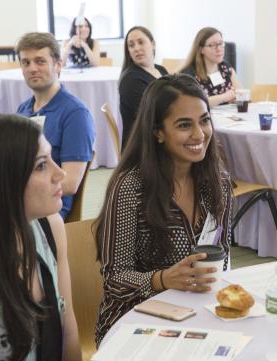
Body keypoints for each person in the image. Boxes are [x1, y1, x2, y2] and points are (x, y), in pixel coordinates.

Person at [94, 74, 233, 345]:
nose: (199, 134)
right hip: (136, 320)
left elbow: (222, 255)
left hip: (198, 314)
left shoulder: (218, 183)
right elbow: (115, 280)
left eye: (204, 121)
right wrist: (163, 279)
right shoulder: (131, 187)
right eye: (184, 125)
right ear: (158, 132)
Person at [0, 113, 81, 361]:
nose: (59, 173)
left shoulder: (50, 225)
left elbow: (68, 330)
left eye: (51, 159)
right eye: (41, 165)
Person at [15, 32, 95, 220]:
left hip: (49, 211)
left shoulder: (75, 113)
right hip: (21, 202)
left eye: (40, 61)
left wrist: (13, 191)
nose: (32, 68)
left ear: (58, 65)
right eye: (26, 62)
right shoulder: (23, 109)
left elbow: (70, 183)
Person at [118, 26, 168, 149]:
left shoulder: (161, 70)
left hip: (160, 135)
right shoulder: (130, 80)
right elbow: (152, 116)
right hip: (143, 146)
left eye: (141, 42)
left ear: (153, 44)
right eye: (131, 45)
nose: (136, 48)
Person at [181, 27, 242, 107]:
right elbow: (195, 103)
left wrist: (236, 99)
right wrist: (224, 97)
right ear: (201, 49)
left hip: (227, 117)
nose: (219, 49)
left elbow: (241, 94)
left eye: (221, 43)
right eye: (213, 45)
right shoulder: (189, 74)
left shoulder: (226, 68)